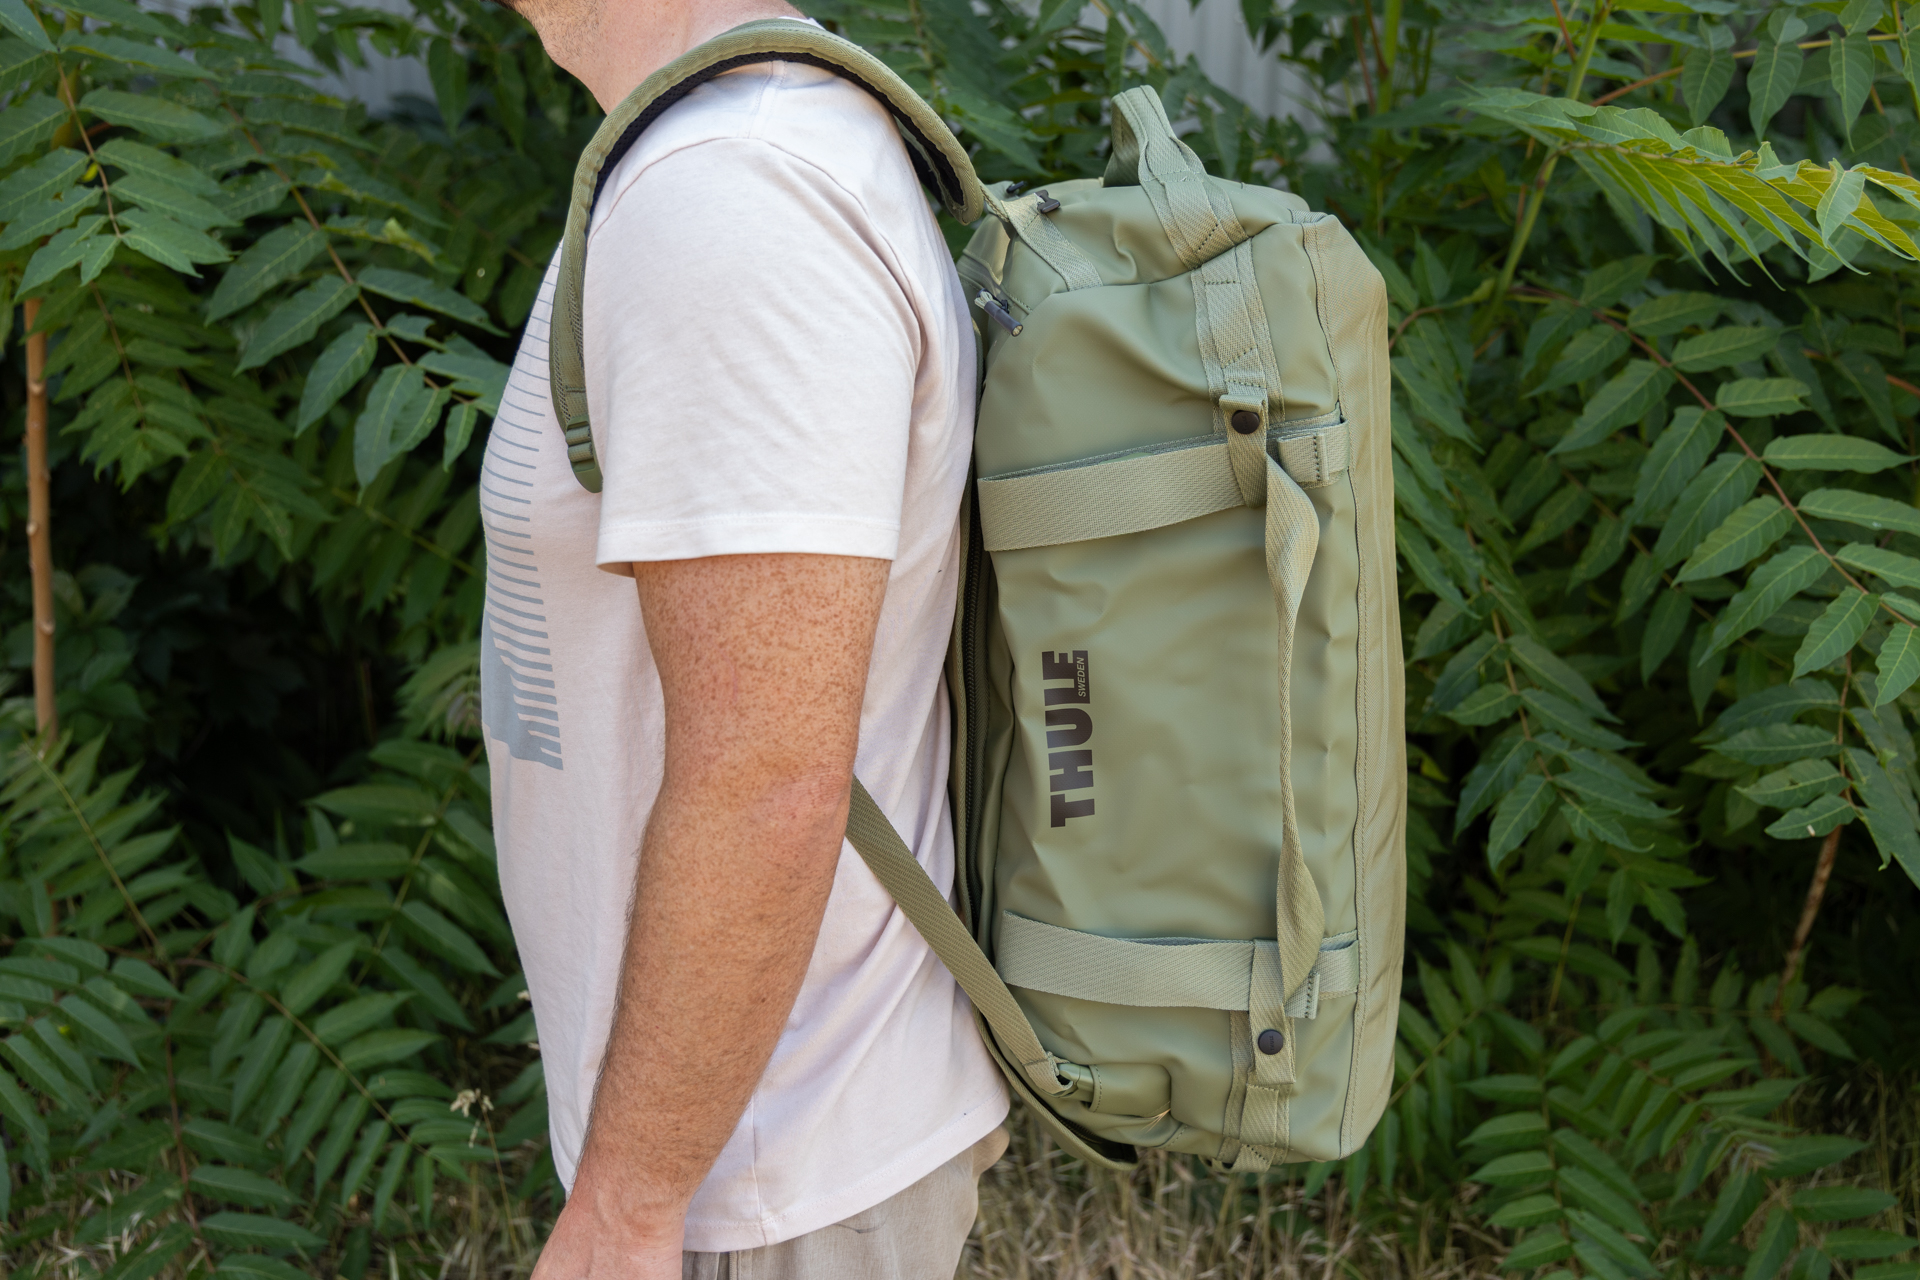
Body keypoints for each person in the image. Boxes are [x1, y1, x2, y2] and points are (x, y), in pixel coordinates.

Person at [477, 0, 1011, 1275]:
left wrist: (628, 1205)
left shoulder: (733, 199)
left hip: (768, 1172)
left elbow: (764, 775)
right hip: (746, 1142)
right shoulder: (704, 156)